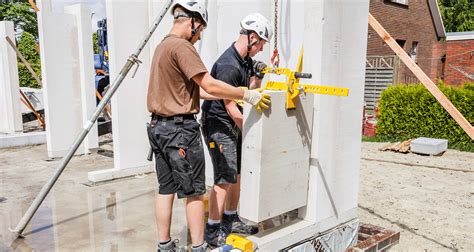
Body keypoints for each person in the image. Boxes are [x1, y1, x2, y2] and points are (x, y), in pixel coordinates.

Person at [146, 1, 271, 251]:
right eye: (200, 29)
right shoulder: (182, 47)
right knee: (194, 191)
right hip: (180, 130)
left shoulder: (162, 46)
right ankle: (201, 245)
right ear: (191, 22)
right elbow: (209, 85)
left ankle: (164, 245)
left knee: (166, 189)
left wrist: (241, 91)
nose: (200, 35)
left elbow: (196, 93)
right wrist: (244, 95)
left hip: (158, 128)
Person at [201, 13, 272, 247]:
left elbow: (250, 91)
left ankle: (230, 220)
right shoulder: (228, 65)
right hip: (218, 124)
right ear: (252, 37)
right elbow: (231, 107)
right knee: (224, 178)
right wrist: (255, 132)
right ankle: (212, 230)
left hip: (233, 122)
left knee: (237, 176)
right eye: (261, 43)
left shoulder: (245, 61)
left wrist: (259, 76)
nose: (261, 49)